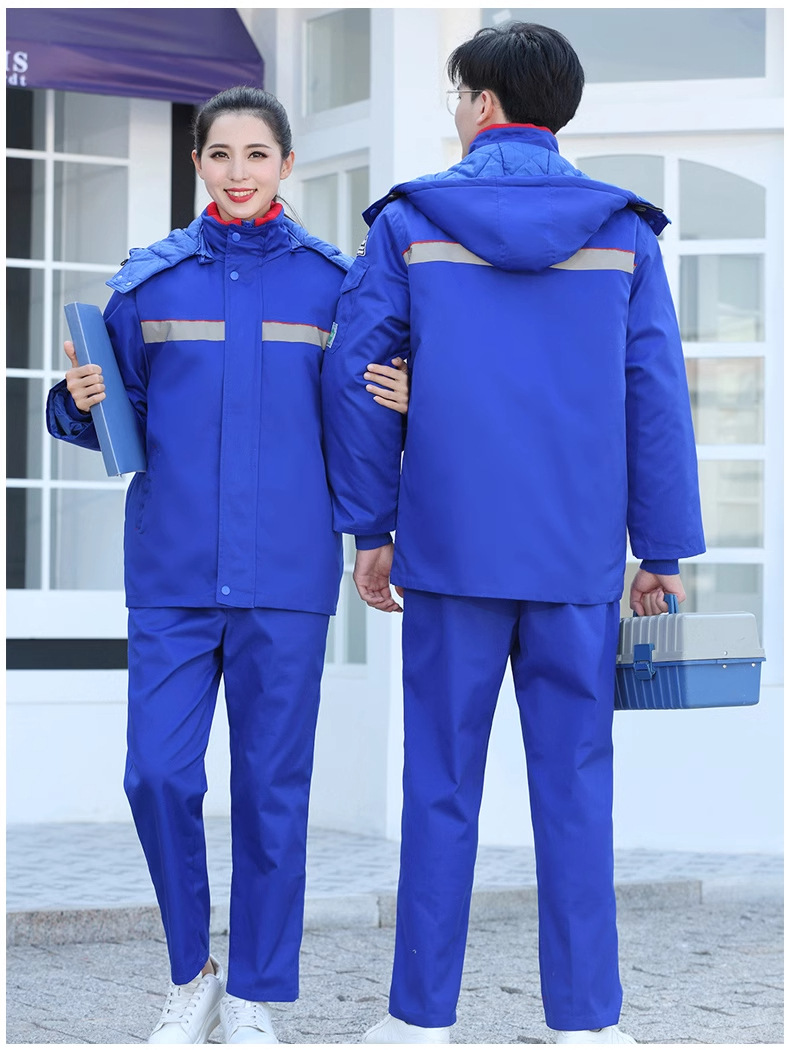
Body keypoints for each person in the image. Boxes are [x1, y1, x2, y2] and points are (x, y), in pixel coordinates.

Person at [321, 22, 705, 1047]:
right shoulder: (623, 233)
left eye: (458, 96)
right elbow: (655, 397)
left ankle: (418, 1023)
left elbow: (356, 378)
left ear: (484, 103)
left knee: (440, 786)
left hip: (448, 545)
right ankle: (588, 1026)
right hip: (577, 555)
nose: (456, 112)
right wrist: (661, 551)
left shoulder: (411, 222)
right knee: (575, 787)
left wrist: (371, 525)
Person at [46, 86, 408, 1046]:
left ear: (287, 164)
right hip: (172, 571)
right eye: (220, 154)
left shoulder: (338, 287)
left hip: (287, 576)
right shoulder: (148, 285)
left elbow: (365, 424)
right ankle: (192, 974)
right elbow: (105, 412)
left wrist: (381, 513)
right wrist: (78, 396)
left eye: (256, 154)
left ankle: (254, 994)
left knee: (271, 792)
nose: (238, 172)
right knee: (157, 776)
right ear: (197, 164)